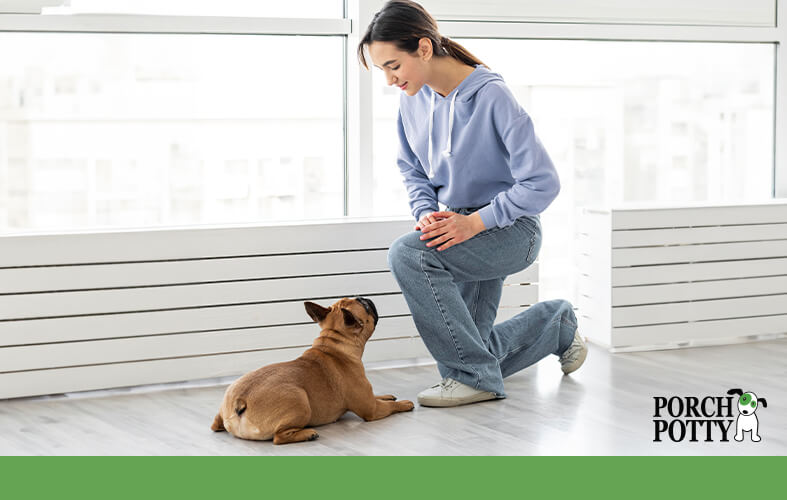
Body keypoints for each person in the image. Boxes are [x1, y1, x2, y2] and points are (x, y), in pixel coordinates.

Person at [358, 0, 587, 408]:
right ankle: (557, 324)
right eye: (383, 71)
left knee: (407, 256)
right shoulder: (413, 99)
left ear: (424, 49)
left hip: (510, 230)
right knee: (476, 345)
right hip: (455, 225)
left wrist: (476, 223)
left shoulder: (492, 96)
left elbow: (543, 183)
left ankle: (472, 378)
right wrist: (425, 211)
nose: (391, 80)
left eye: (394, 66)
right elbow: (411, 168)